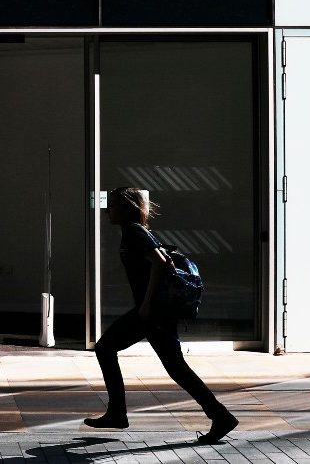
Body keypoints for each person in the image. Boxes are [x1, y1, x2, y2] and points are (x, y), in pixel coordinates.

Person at [84, 187, 238, 444]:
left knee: (106, 348)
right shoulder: (133, 231)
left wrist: (146, 304)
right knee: (176, 367)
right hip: (154, 311)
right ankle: (220, 416)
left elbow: (160, 261)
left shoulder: (135, 231)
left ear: (127, 207)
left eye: (112, 205)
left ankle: (118, 413)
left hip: (152, 312)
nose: (108, 210)